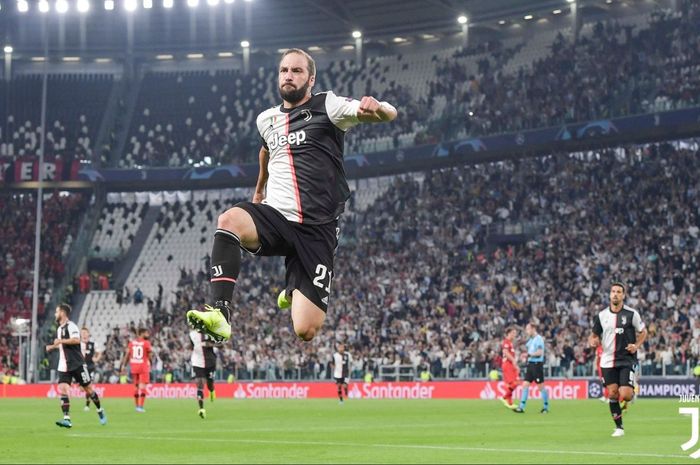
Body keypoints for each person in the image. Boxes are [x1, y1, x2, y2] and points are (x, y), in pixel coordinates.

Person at [187, 48, 397, 343]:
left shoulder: (329, 106)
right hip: (277, 217)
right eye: (284, 70)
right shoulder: (266, 119)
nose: (289, 75)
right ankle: (220, 313)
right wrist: (259, 189)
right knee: (229, 219)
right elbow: (266, 150)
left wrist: (379, 108)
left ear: (311, 79)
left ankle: (295, 285)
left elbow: (389, 113)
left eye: (297, 71)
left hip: (317, 229)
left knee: (305, 330)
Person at [589, 281, 647, 437]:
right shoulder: (601, 316)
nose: (615, 294)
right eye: (613, 291)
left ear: (623, 295)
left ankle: (631, 388)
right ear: (609, 294)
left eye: (619, 292)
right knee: (613, 393)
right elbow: (593, 335)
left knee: (626, 394)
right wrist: (593, 341)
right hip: (607, 360)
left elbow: (643, 332)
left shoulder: (631, 314)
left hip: (626, 359)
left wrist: (636, 345)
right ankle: (619, 427)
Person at [45, 304, 106, 428]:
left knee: (88, 390)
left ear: (62, 313)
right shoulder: (59, 329)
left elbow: (76, 340)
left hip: (77, 363)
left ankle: (100, 409)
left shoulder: (71, 326)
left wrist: (61, 341)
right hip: (63, 364)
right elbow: (62, 344)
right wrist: (52, 346)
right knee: (63, 389)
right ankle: (67, 419)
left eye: (57, 312)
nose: (55, 314)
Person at [514, 322, 549, 414]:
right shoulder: (531, 339)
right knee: (525, 384)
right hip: (530, 365)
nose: (527, 331)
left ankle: (545, 407)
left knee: (540, 387)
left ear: (533, 329)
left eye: (528, 329)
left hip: (537, 365)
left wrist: (529, 354)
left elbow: (540, 352)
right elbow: (527, 347)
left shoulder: (539, 339)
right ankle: (521, 407)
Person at [120, 328, 153, 413]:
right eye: (146, 333)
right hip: (143, 367)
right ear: (142, 333)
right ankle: (141, 406)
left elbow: (127, 355)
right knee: (142, 387)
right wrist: (151, 363)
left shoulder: (131, 343)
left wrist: (123, 365)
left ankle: (136, 406)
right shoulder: (146, 343)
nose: (148, 334)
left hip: (134, 366)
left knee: (136, 387)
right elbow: (150, 356)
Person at [189, 330, 217, 419]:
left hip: (210, 363)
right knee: (199, 384)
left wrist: (209, 344)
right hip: (197, 362)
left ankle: (212, 391)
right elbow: (191, 346)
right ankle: (201, 409)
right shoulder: (192, 334)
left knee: (209, 384)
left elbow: (220, 344)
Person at [80, 327, 102, 411]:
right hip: (81, 368)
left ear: (88, 334)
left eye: (85, 332)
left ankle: (87, 405)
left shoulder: (93, 344)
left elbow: (99, 352)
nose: (84, 334)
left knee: (89, 386)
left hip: (90, 367)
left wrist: (96, 359)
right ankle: (88, 402)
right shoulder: (78, 344)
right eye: (82, 333)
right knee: (83, 388)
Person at [500, 327, 519, 410]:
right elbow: (506, 352)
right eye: (514, 333)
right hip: (507, 364)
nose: (515, 335)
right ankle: (504, 398)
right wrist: (513, 361)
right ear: (509, 333)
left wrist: (515, 365)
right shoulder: (506, 342)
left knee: (512, 384)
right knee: (514, 383)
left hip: (510, 365)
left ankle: (510, 403)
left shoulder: (510, 343)